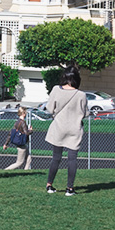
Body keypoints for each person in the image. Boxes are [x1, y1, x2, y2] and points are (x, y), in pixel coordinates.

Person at [44, 65, 88, 196]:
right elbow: (85, 113)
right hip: (74, 129)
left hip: (59, 128)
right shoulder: (81, 95)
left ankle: (49, 185)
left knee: (56, 158)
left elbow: (50, 108)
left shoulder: (56, 90)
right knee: (72, 159)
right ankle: (70, 188)